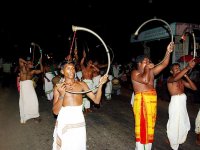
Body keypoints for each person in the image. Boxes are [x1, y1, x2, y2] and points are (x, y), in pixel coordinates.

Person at [52, 60, 108, 150]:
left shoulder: (82, 84)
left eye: (73, 68)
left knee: (78, 145)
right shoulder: (58, 87)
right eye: (68, 68)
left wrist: (101, 84)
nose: (72, 71)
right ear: (62, 71)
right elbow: (55, 111)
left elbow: (96, 101)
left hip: (79, 119)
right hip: (65, 119)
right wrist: (62, 95)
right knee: (66, 146)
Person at [131, 42, 174, 150]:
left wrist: (168, 51)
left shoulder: (151, 72)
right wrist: (147, 68)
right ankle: (140, 148)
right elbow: (144, 80)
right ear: (139, 63)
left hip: (151, 103)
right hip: (142, 102)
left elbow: (164, 64)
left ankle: (147, 148)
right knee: (142, 127)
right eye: (146, 61)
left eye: (149, 61)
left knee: (150, 126)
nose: (149, 62)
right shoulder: (135, 72)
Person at [167, 59, 197, 150]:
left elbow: (194, 88)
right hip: (175, 103)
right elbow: (175, 78)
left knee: (183, 122)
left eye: (178, 68)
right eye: (175, 69)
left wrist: (186, 76)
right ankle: (173, 141)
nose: (178, 69)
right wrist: (187, 67)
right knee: (174, 123)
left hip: (182, 104)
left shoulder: (181, 81)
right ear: (171, 71)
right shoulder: (170, 79)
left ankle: (178, 140)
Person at [18, 56, 43, 124]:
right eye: (30, 63)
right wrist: (27, 63)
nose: (31, 64)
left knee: (34, 100)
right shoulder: (22, 67)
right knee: (25, 102)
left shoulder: (33, 71)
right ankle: (25, 117)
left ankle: (35, 116)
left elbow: (41, 70)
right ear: (26, 64)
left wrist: (40, 63)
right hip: (24, 86)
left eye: (32, 63)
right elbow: (20, 59)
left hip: (30, 87)